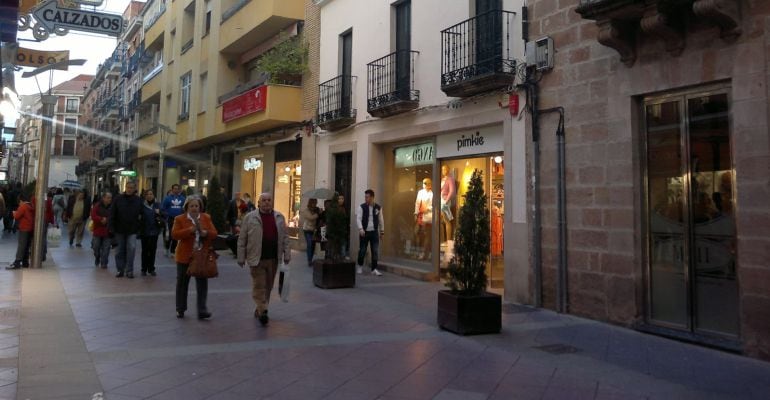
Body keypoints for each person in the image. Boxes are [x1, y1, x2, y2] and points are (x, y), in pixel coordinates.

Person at [237, 192, 290, 326]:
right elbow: (242, 239)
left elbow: (285, 237)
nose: (266, 202)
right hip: (256, 258)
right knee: (259, 285)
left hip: (273, 257)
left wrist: (287, 253)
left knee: (268, 286)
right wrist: (241, 256)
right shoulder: (250, 218)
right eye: (264, 200)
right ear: (259, 203)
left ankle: (260, 308)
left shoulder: (279, 217)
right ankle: (264, 311)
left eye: (269, 200)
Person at [172, 196, 217, 319]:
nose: (194, 208)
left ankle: (202, 309)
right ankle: (180, 308)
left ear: (200, 207)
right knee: (182, 283)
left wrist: (206, 233)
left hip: (201, 255)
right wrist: (189, 230)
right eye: (191, 206)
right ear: (187, 207)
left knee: (202, 283)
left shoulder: (206, 218)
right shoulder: (179, 219)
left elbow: (214, 233)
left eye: (196, 206)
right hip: (184, 256)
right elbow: (175, 235)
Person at [110, 181, 142, 278]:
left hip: (132, 229)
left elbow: (142, 214)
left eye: (131, 187)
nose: (129, 189)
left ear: (134, 189)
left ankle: (129, 270)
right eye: (128, 187)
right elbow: (112, 213)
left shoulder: (138, 200)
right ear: (125, 188)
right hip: (119, 229)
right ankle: (120, 270)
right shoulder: (118, 199)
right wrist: (111, 227)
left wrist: (139, 227)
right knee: (119, 250)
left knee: (131, 249)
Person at [356, 189, 385, 276]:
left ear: (372, 197)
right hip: (364, 232)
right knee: (362, 250)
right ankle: (360, 266)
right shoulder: (361, 207)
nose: (366, 198)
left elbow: (381, 220)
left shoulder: (378, 207)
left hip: (374, 232)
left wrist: (382, 232)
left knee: (375, 251)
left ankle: (374, 269)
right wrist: (360, 229)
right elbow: (358, 219)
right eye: (365, 197)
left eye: (367, 197)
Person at [6, 192, 34, 270]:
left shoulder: (23, 206)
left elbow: (17, 216)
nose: (19, 203)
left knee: (21, 245)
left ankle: (17, 262)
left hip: (24, 228)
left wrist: (14, 213)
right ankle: (25, 262)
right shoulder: (30, 205)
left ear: (21, 200)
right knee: (26, 246)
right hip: (30, 228)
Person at [139, 190, 162, 276]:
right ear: (145, 196)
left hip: (154, 231)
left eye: (151, 194)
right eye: (148, 194)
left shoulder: (157, 205)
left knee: (152, 250)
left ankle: (151, 268)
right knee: (145, 250)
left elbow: (163, 215)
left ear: (153, 195)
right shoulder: (142, 205)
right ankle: (144, 269)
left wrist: (159, 213)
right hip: (144, 231)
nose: (149, 196)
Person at [161, 184, 186, 256]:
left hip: (179, 220)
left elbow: (185, 209)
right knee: (169, 235)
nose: (176, 190)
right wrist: (166, 214)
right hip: (169, 219)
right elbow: (163, 208)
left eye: (177, 189)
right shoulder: (167, 198)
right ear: (172, 190)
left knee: (176, 235)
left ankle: (173, 251)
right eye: (175, 189)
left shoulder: (182, 199)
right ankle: (166, 248)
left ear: (179, 190)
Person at [91, 192, 113, 269]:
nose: (109, 199)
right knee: (95, 247)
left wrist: (107, 220)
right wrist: (101, 219)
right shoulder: (97, 206)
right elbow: (93, 216)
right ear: (103, 198)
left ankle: (104, 263)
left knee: (106, 248)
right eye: (108, 197)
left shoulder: (112, 207)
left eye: (110, 198)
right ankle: (97, 257)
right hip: (98, 230)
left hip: (108, 231)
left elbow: (114, 216)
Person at [414, 178, 433, 260]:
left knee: (427, 235)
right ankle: (419, 251)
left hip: (428, 215)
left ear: (430, 184)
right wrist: (416, 213)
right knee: (416, 232)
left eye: (426, 183)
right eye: (423, 183)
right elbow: (417, 203)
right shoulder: (420, 192)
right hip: (420, 215)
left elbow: (434, 205)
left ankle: (424, 253)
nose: (424, 184)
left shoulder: (432, 193)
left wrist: (428, 209)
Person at [300, 198, 320, 267]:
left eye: (315, 203)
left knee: (313, 246)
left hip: (314, 230)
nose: (315, 204)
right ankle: (309, 260)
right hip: (307, 230)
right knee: (309, 244)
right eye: (313, 203)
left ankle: (310, 259)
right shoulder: (306, 210)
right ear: (310, 203)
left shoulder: (316, 210)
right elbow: (310, 218)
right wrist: (318, 214)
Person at [440, 165, 456, 243]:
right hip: (440, 201)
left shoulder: (450, 179)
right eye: (442, 169)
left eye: (445, 169)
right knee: (442, 220)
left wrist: (446, 201)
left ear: (448, 170)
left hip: (445, 201)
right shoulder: (442, 179)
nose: (443, 171)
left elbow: (452, 191)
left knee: (447, 220)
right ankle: (444, 240)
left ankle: (449, 241)